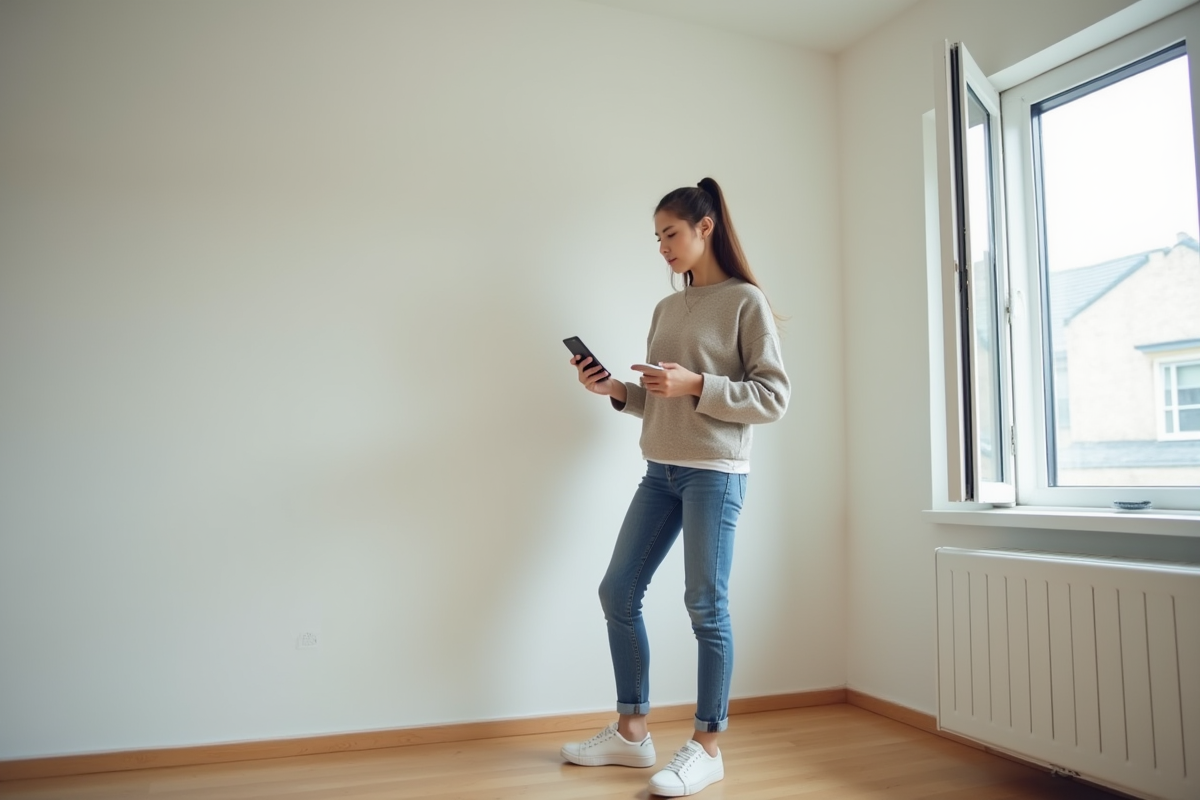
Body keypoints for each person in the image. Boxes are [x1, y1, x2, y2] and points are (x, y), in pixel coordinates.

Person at [561, 178, 790, 797]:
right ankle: (633, 733)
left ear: (705, 227)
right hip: (659, 470)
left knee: (705, 606)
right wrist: (616, 391)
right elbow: (664, 404)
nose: (662, 247)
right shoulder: (667, 309)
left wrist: (695, 385)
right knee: (618, 591)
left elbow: (774, 398)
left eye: (671, 234)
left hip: (715, 473)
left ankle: (708, 746)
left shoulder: (746, 302)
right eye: (656, 237)